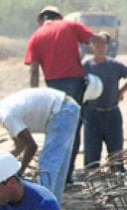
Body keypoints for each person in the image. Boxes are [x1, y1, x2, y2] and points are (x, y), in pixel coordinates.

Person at [0, 88, 80, 204]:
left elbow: (32, 146)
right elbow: (19, 146)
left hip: (62, 111)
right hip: (66, 108)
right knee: (58, 167)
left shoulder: (7, 116)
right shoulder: (4, 113)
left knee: (47, 164)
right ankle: (53, 208)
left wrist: (19, 171)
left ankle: (42, 207)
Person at [25, 5, 99, 184]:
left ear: (41, 19)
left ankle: (53, 175)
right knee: (72, 129)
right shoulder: (70, 25)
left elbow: (34, 69)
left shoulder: (36, 36)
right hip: (75, 83)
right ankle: (66, 176)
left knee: (56, 129)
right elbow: (96, 40)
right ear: (59, 16)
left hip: (53, 87)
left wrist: (34, 96)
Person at [82, 32, 127, 172]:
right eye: (97, 45)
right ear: (92, 46)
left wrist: (121, 92)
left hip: (112, 113)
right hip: (92, 114)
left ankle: (117, 181)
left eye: (103, 45)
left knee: (116, 154)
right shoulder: (86, 66)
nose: (100, 48)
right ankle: (92, 183)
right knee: (91, 155)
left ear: (107, 47)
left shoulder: (114, 65)